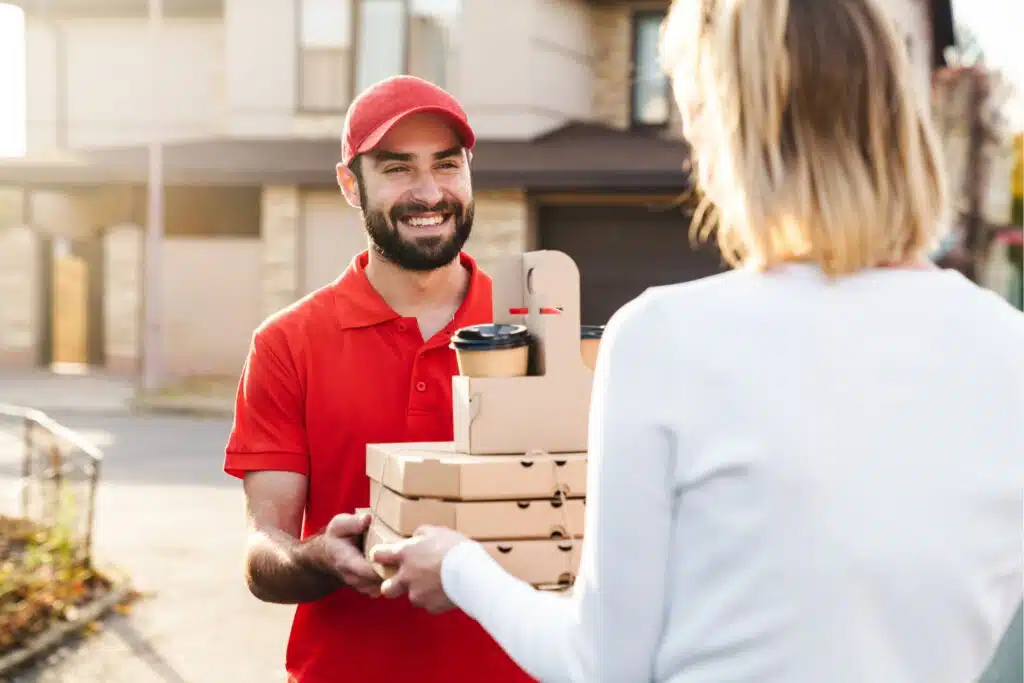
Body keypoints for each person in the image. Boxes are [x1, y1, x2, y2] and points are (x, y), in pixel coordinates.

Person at [370, 0, 1024, 682]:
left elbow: (599, 664)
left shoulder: (666, 337)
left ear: (731, 127)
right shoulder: (1011, 351)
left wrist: (457, 566)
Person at [223, 75, 535, 683]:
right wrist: (318, 559)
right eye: (397, 169)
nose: (428, 193)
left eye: (447, 165)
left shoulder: (534, 331)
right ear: (350, 184)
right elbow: (265, 547)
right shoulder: (287, 344)